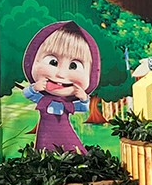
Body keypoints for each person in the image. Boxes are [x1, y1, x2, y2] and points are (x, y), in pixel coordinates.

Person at [22, 21, 101, 153]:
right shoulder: (43, 100)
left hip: (64, 131)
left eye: (74, 66)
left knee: (72, 147)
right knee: (44, 148)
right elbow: (28, 94)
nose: (61, 74)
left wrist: (84, 98)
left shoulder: (67, 104)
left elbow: (82, 108)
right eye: (53, 62)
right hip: (45, 131)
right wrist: (35, 88)